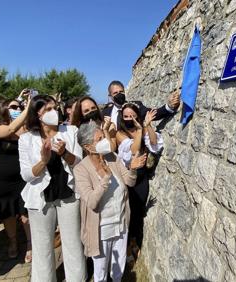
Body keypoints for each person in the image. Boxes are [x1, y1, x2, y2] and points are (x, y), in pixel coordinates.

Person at [18, 95, 86, 282]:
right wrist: (43, 161)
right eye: (47, 109)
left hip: (67, 193)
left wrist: (64, 153)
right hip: (40, 197)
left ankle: (77, 278)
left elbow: (79, 164)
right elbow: (26, 175)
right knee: (42, 246)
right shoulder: (25, 139)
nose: (53, 112)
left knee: (72, 242)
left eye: (55, 107)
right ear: (37, 114)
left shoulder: (70, 131)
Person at [74, 121, 146, 282]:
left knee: (118, 270)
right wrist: (105, 178)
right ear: (88, 147)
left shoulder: (112, 158)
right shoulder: (80, 169)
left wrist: (133, 168)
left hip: (121, 224)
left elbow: (130, 181)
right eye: (99, 139)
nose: (105, 141)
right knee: (100, 274)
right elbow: (92, 201)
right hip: (100, 231)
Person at [116, 102, 163, 261]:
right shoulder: (120, 134)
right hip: (128, 176)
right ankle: (125, 244)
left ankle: (134, 241)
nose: (130, 119)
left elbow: (155, 144)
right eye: (126, 116)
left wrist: (147, 126)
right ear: (122, 118)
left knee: (138, 212)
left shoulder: (141, 128)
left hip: (142, 177)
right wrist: (140, 130)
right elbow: (134, 150)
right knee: (127, 212)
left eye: (133, 116)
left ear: (138, 115)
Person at [0, 95, 32, 262]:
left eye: (19, 107)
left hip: (23, 178)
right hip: (2, 180)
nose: (17, 110)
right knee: (8, 213)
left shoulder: (26, 127)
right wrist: (28, 108)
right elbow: (9, 131)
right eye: (13, 107)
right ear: (4, 110)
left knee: (25, 212)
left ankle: (30, 243)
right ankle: (13, 241)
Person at [102, 80, 180, 129]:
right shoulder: (105, 112)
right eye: (115, 93)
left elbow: (153, 113)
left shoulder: (136, 106)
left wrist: (169, 106)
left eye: (121, 92)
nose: (119, 94)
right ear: (110, 96)